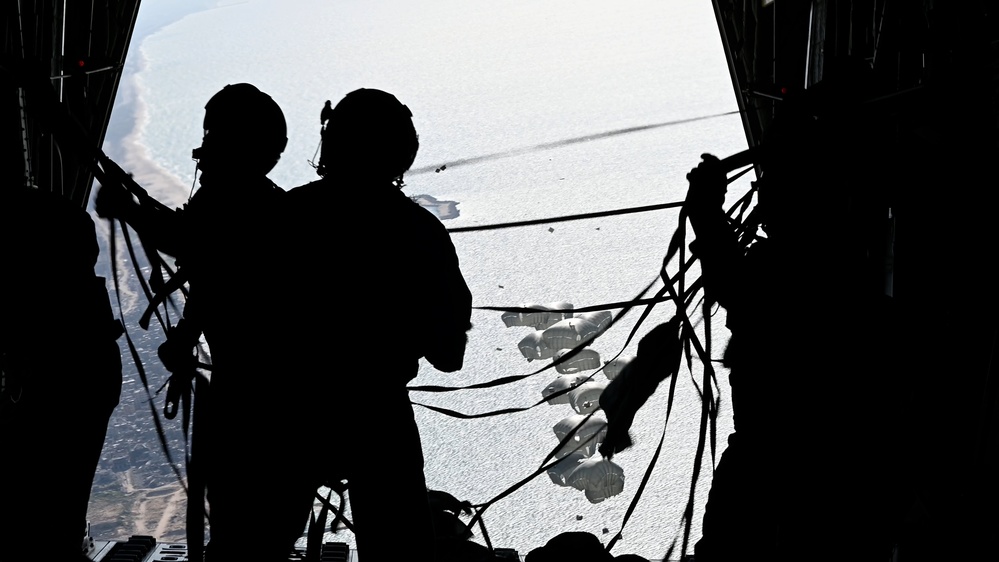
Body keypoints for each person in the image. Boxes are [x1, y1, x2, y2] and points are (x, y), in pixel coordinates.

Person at [685, 62, 905, 562]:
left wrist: (706, 212)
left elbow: (737, 284)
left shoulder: (782, 277)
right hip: (841, 472)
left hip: (776, 465)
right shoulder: (845, 276)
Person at [95, 83, 300, 560]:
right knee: (256, 520)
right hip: (270, 392)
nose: (201, 157)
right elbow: (216, 273)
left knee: (237, 516)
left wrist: (128, 206)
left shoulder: (236, 203)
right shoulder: (268, 205)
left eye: (210, 141)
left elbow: (198, 246)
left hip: (253, 393)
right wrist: (187, 336)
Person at [281, 87, 473, 561]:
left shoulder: (283, 216)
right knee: (400, 553)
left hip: (287, 410)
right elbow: (448, 355)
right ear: (403, 152)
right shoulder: (419, 232)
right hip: (376, 413)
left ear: (332, 144)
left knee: (253, 547)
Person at [1, 184, 124, 562]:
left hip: (69, 366)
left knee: (44, 520)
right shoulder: (53, 223)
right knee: (57, 514)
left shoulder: (58, 324)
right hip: (86, 359)